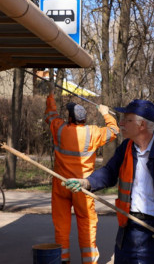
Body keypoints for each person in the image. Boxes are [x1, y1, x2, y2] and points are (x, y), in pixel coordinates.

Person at [62, 99, 154, 264]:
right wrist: (86, 183)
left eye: (127, 120)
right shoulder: (126, 148)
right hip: (129, 230)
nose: (121, 123)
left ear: (142, 125)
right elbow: (109, 172)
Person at [44, 88, 119, 264]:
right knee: (86, 223)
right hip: (83, 187)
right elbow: (114, 130)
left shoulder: (60, 129)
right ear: (83, 118)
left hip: (62, 185)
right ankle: (89, 261)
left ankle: (63, 260)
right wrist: (105, 113)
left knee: (61, 225)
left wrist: (51, 97)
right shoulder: (93, 132)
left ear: (70, 118)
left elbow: (50, 115)